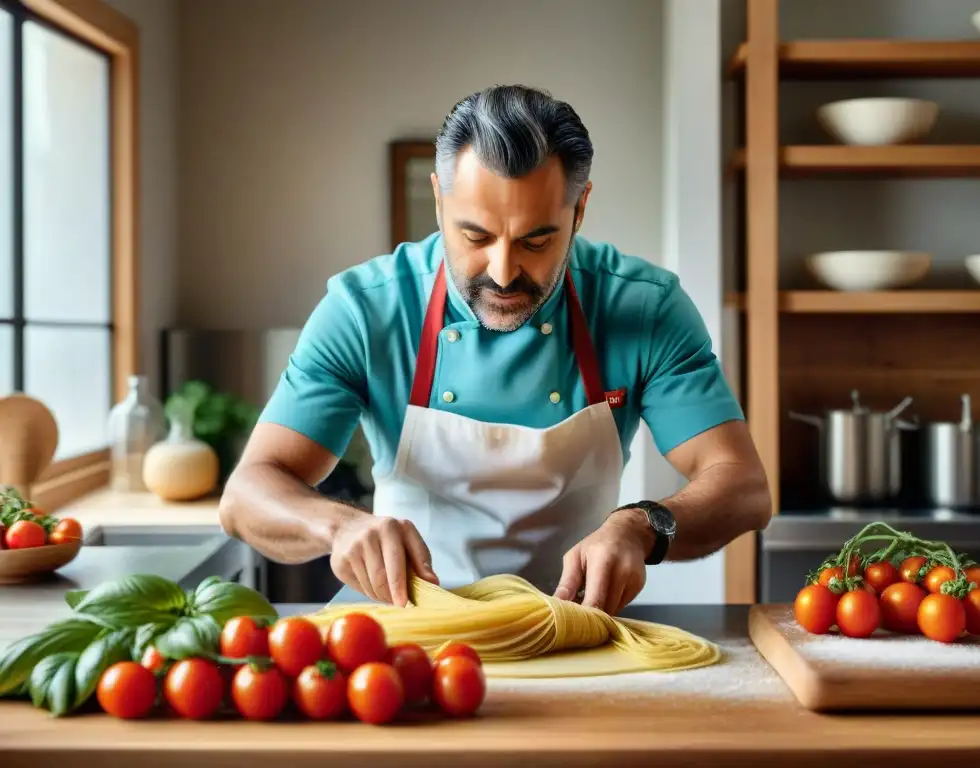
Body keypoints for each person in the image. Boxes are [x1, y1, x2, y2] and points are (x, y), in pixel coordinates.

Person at [219, 84, 771, 616]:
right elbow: (247, 492)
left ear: (579, 211)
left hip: (575, 632)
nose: (503, 273)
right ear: (438, 200)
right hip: (409, 638)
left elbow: (741, 485)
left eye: (536, 240)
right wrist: (339, 526)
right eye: (476, 237)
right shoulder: (366, 311)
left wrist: (643, 525)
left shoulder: (644, 306)